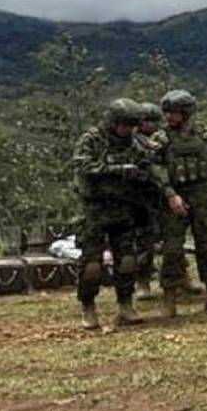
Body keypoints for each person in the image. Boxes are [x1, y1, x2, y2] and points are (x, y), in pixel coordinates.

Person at [71, 98, 159, 329]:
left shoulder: (133, 143)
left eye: (131, 125)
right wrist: (117, 170)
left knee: (128, 261)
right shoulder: (92, 140)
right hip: (94, 210)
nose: (127, 130)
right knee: (92, 265)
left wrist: (141, 173)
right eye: (124, 125)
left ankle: (125, 304)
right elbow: (83, 166)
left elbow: (148, 166)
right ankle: (88, 306)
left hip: (124, 209)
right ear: (112, 122)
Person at [152, 89, 207, 317]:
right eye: (166, 112)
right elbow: (155, 168)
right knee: (172, 250)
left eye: (173, 113)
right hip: (174, 199)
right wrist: (169, 194)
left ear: (186, 113)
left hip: (204, 197)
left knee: (206, 246)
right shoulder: (161, 139)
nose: (168, 117)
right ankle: (169, 298)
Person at [133, 102, 164, 300]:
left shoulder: (160, 139)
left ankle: (178, 278)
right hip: (140, 201)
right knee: (143, 244)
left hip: (160, 197)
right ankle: (142, 282)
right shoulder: (132, 141)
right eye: (147, 120)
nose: (151, 124)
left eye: (154, 120)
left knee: (171, 241)